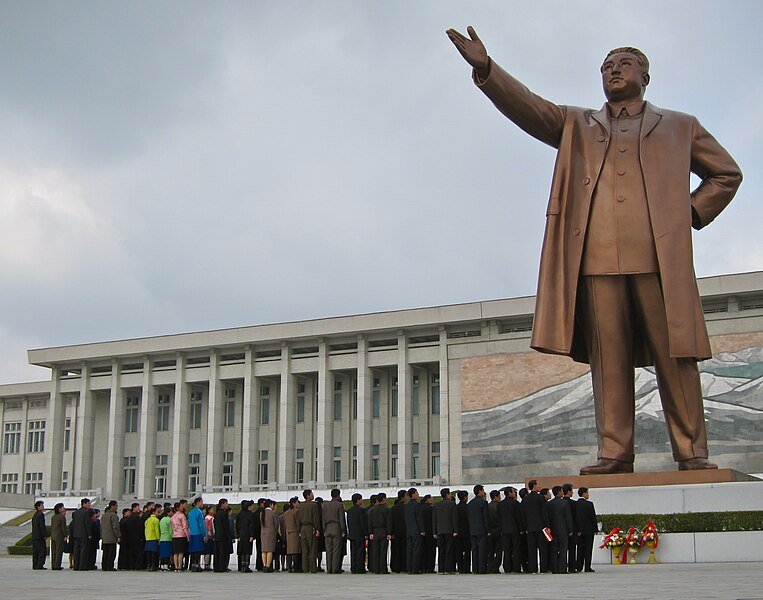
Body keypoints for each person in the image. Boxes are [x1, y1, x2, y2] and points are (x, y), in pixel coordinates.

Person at [446, 27, 742, 476]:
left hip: (659, 261)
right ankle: (615, 453)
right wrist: (487, 69)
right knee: (609, 360)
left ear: (645, 75)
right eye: (606, 66)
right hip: (596, 262)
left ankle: (692, 453)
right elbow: (530, 107)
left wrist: (689, 214)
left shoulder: (681, 126)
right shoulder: (576, 125)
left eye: (623, 64)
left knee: (675, 356)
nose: (613, 71)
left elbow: (726, 174)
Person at [522, 480, 549, 574]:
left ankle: (533, 569)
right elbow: (544, 513)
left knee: (532, 550)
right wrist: (547, 525)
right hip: (540, 527)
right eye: (538, 484)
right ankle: (543, 569)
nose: (539, 486)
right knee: (543, 549)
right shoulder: (540, 497)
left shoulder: (525, 499)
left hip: (529, 527)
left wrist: (525, 527)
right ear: (534, 486)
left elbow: (523, 514)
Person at [547, 486, 573, 574]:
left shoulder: (549, 504)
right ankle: (562, 569)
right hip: (563, 530)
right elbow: (568, 517)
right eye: (562, 491)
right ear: (559, 492)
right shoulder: (565, 503)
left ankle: (554, 568)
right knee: (563, 550)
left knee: (553, 550)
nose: (563, 492)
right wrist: (570, 530)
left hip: (553, 530)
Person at [432, 487, 458, 574]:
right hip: (449, 530)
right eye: (450, 493)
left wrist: (434, 531)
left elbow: (434, 519)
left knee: (441, 550)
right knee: (449, 550)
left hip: (439, 530)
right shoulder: (451, 504)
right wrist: (455, 530)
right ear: (447, 494)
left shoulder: (437, 505)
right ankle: (448, 569)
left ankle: (441, 568)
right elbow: (454, 518)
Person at [499, 487, 525, 574]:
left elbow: (499, 518)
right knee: (516, 549)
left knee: (507, 550)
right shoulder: (516, 503)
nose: (514, 494)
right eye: (513, 492)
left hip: (504, 530)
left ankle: (507, 568)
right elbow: (519, 517)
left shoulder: (500, 504)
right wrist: (521, 528)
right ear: (509, 493)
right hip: (515, 529)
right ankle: (516, 568)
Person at [321, 488, 347, 574]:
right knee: (336, 549)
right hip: (336, 527)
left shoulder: (325, 505)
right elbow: (341, 518)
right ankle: (335, 568)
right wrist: (343, 530)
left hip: (328, 527)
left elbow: (323, 519)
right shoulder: (339, 505)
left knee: (329, 550)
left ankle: (329, 568)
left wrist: (324, 529)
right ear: (338, 496)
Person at [296, 489, 320, 573]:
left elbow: (298, 519)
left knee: (305, 550)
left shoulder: (300, 506)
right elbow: (315, 518)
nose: (313, 495)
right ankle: (312, 568)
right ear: (308, 496)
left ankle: (305, 568)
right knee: (312, 549)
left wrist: (299, 530)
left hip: (303, 528)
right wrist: (317, 529)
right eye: (311, 494)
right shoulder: (314, 505)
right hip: (311, 528)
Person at [467, 484, 490, 574]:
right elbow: (486, 518)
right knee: (482, 550)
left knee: (475, 550)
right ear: (479, 491)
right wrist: (488, 530)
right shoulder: (483, 503)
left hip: (473, 530)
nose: (484, 492)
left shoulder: (470, 504)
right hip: (481, 530)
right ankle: (482, 569)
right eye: (483, 490)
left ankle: (475, 569)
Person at [367, 493, 391, 574]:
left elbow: (370, 522)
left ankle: (376, 569)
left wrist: (371, 532)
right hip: (383, 531)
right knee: (383, 551)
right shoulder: (387, 509)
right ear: (383, 499)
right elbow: (388, 522)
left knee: (375, 551)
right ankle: (383, 569)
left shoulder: (372, 510)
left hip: (375, 531)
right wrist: (389, 533)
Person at [576, 487, 598, 573]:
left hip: (579, 531)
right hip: (589, 530)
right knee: (588, 549)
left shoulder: (576, 504)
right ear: (584, 493)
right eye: (587, 493)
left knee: (580, 549)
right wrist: (595, 529)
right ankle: (587, 567)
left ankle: (579, 567)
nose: (588, 495)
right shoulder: (589, 504)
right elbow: (592, 518)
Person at [404, 487, 425, 574]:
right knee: (416, 550)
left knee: (409, 550)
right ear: (413, 494)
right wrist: (422, 530)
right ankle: (415, 568)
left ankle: (409, 568)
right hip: (416, 530)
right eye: (417, 492)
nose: (418, 494)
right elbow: (419, 518)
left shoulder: (406, 505)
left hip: (409, 530)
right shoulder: (417, 505)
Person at [346, 493, 368, 574]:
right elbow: (363, 523)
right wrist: (366, 533)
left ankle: (353, 568)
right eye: (361, 499)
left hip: (352, 534)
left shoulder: (350, 511)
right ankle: (360, 568)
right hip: (360, 534)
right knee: (360, 552)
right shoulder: (362, 511)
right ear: (358, 500)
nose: (362, 500)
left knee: (353, 552)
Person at [71, 497, 93, 571]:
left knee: (76, 550)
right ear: (84, 504)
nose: (89, 505)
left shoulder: (76, 512)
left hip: (76, 533)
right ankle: (82, 566)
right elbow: (87, 523)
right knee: (84, 550)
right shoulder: (86, 512)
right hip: (83, 534)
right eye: (88, 503)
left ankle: (76, 565)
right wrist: (89, 533)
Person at [389, 489, 408, 573]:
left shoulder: (392, 509)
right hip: (405, 532)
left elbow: (390, 521)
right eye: (406, 496)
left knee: (395, 551)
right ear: (402, 497)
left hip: (395, 533)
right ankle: (404, 567)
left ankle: (395, 567)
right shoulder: (406, 508)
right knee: (404, 550)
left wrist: (390, 532)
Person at [563, 483, 579, 572]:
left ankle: (562, 566)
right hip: (573, 529)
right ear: (568, 491)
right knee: (572, 549)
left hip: (562, 529)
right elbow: (577, 518)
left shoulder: (559, 503)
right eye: (572, 491)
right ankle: (572, 567)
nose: (572, 492)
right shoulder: (574, 503)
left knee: (562, 549)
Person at [260, 499, 279, 572]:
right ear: (271, 505)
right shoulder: (273, 513)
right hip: (270, 533)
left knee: (264, 550)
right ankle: (268, 566)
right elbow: (276, 524)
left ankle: (264, 565)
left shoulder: (262, 513)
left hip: (263, 533)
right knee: (270, 550)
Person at [187, 497, 206, 572]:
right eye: (202, 502)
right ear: (198, 502)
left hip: (192, 533)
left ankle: (193, 565)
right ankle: (197, 565)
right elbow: (201, 524)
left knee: (193, 550)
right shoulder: (199, 512)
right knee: (198, 551)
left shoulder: (190, 512)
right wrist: (204, 534)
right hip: (198, 533)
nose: (202, 504)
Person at [101, 500, 121, 571]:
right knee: (111, 553)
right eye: (116, 506)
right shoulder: (113, 515)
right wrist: (118, 536)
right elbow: (115, 527)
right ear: (112, 506)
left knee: (105, 553)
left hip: (105, 537)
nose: (117, 507)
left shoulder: (104, 515)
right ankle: (109, 566)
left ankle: (104, 566)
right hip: (111, 537)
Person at [236, 500, 255, 573]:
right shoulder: (250, 514)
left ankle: (242, 565)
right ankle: (246, 565)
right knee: (247, 551)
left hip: (241, 535)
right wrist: (252, 535)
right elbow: (251, 526)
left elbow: (237, 525)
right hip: (248, 535)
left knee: (242, 551)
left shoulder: (239, 514)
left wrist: (238, 535)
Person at [213, 499, 231, 572]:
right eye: (226, 503)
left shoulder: (217, 513)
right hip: (223, 536)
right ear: (222, 504)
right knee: (222, 552)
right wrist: (228, 535)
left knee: (217, 552)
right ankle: (222, 567)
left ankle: (217, 567)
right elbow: (226, 526)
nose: (227, 505)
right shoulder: (223, 514)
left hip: (217, 535)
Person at [284, 497, 302, 573]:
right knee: (295, 551)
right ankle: (295, 567)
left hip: (289, 532)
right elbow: (297, 522)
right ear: (294, 503)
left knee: (289, 551)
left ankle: (289, 567)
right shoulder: (296, 512)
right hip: (295, 532)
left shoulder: (286, 513)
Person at [171, 500, 190, 572]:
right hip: (181, 535)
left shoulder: (172, 517)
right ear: (178, 508)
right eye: (181, 506)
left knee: (175, 552)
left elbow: (172, 527)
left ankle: (176, 567)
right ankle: (179, 566)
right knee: (181, 552)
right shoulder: (182, 516)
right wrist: (188, 537)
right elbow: (185, 527)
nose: (182, 507)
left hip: (175, 535)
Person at [455, 490, 471, 573]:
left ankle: (460, 567)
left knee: (459, 551)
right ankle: (466, 568)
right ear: (465, 497)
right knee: (467, 551)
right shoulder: (468, 507)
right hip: (467, 532)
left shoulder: (456, 507)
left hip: (458, 532)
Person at [487, 489, 503, 573]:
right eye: (499, 496)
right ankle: (496, 567)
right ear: (496, 497)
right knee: (499, 550)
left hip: (490, 530)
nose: (500, 498)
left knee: (490, 550)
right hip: (498, 530)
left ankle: (490, 566)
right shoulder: (499, 506)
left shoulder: (488, 506)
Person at [50, 503, 68, 571]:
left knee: (54, 551)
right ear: (59, 509)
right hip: (59, 536)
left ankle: (53, 565)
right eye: (63, 507)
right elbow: (63, 528)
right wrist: (65, 535)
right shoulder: (62, 517)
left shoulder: (53, 517)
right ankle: (57, 565)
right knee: (59, 551)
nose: (64, 508)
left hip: (53, 535)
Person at [420, 495, 436, 573]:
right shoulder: (431, 509)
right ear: (427, 500)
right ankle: (430, 568)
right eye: (431, 498)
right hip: (430, 532)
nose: (432, 500)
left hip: (422, 532)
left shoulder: (421, 508)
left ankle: (423, 567)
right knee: (431, 551)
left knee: (423, 550)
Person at [31, 500, 47, 570]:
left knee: (36, 551)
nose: (43, 507)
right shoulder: (41, 515)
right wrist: (45, 535)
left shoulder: (35, 515)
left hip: (35, 536)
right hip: (40, 536)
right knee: (42, 551)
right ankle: (40, 565)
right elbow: (42, 526)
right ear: (38, 507)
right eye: (42, 505)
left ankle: (35, 565)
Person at [144, 505, 161, 572]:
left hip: (148, 538)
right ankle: (153, 566)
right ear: (153, 512)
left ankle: (149, 565)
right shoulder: (156, 520)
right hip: (153, 538)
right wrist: (159, 538)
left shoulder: (147, 520)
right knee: (154, 553)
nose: (158, 513)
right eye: (157, 512)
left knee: (149, 553)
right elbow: (157, 530)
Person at [159, 506, 174, 571]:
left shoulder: (162, 519)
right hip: (168, 538)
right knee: (167, 553)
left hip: (162, 538)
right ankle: (166, 565)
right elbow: (170, 530)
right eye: (171, 511)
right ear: (168, 513)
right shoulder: (169, 520)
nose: (172, 512)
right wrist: (172, 536)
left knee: (163, 553)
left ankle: (162, 565)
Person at [203, 505, 215, 571]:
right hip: (209, 536)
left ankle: (207, 564)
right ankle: (207, 564)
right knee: (208, 551)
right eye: (212, 509)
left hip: (207, 536)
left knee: (208, 552)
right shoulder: (210, 518)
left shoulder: (205, 518)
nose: (213, 510)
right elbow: (211, 528)